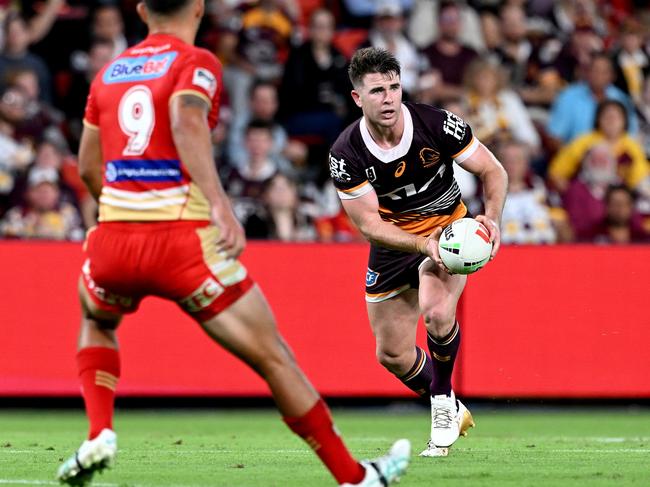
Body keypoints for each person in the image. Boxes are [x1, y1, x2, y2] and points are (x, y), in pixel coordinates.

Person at [56, 2, 410, 487]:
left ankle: (99, 431)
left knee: (96, 319)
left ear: (140, 9)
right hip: (181, 241)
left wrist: (117, 215)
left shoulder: (109, 73)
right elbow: (185, 122)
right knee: (273, 356)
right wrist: (220, 204)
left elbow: (90, 167)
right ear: (199, 7)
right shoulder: (194, 62)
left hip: (114, 238)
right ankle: (353, 477)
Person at [328, 47, 507, 456]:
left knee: (437, 310)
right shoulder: (346, 153)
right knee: (391, 353)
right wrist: (419, 243)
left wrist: (492, 217)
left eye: (394, 87)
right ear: (358, 98)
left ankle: (442, 404)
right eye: (376, 91)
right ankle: (451, 404)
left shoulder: (436, 124)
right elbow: (369, 224)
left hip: (449, 232)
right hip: (394, 243)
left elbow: (493, 169)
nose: (388, 98)